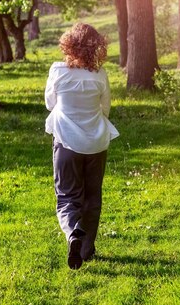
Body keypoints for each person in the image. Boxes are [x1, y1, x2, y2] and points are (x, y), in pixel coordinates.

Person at [45, 23, 119, 269]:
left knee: (67, 196)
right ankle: (87, 250)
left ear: (68, 44)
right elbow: (106, 109)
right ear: (96, 46)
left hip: (66, 141)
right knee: (92, 196)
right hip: (96, 142)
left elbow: (49, 103)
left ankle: (73, 233)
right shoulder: (100, 75)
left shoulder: (58, 71)